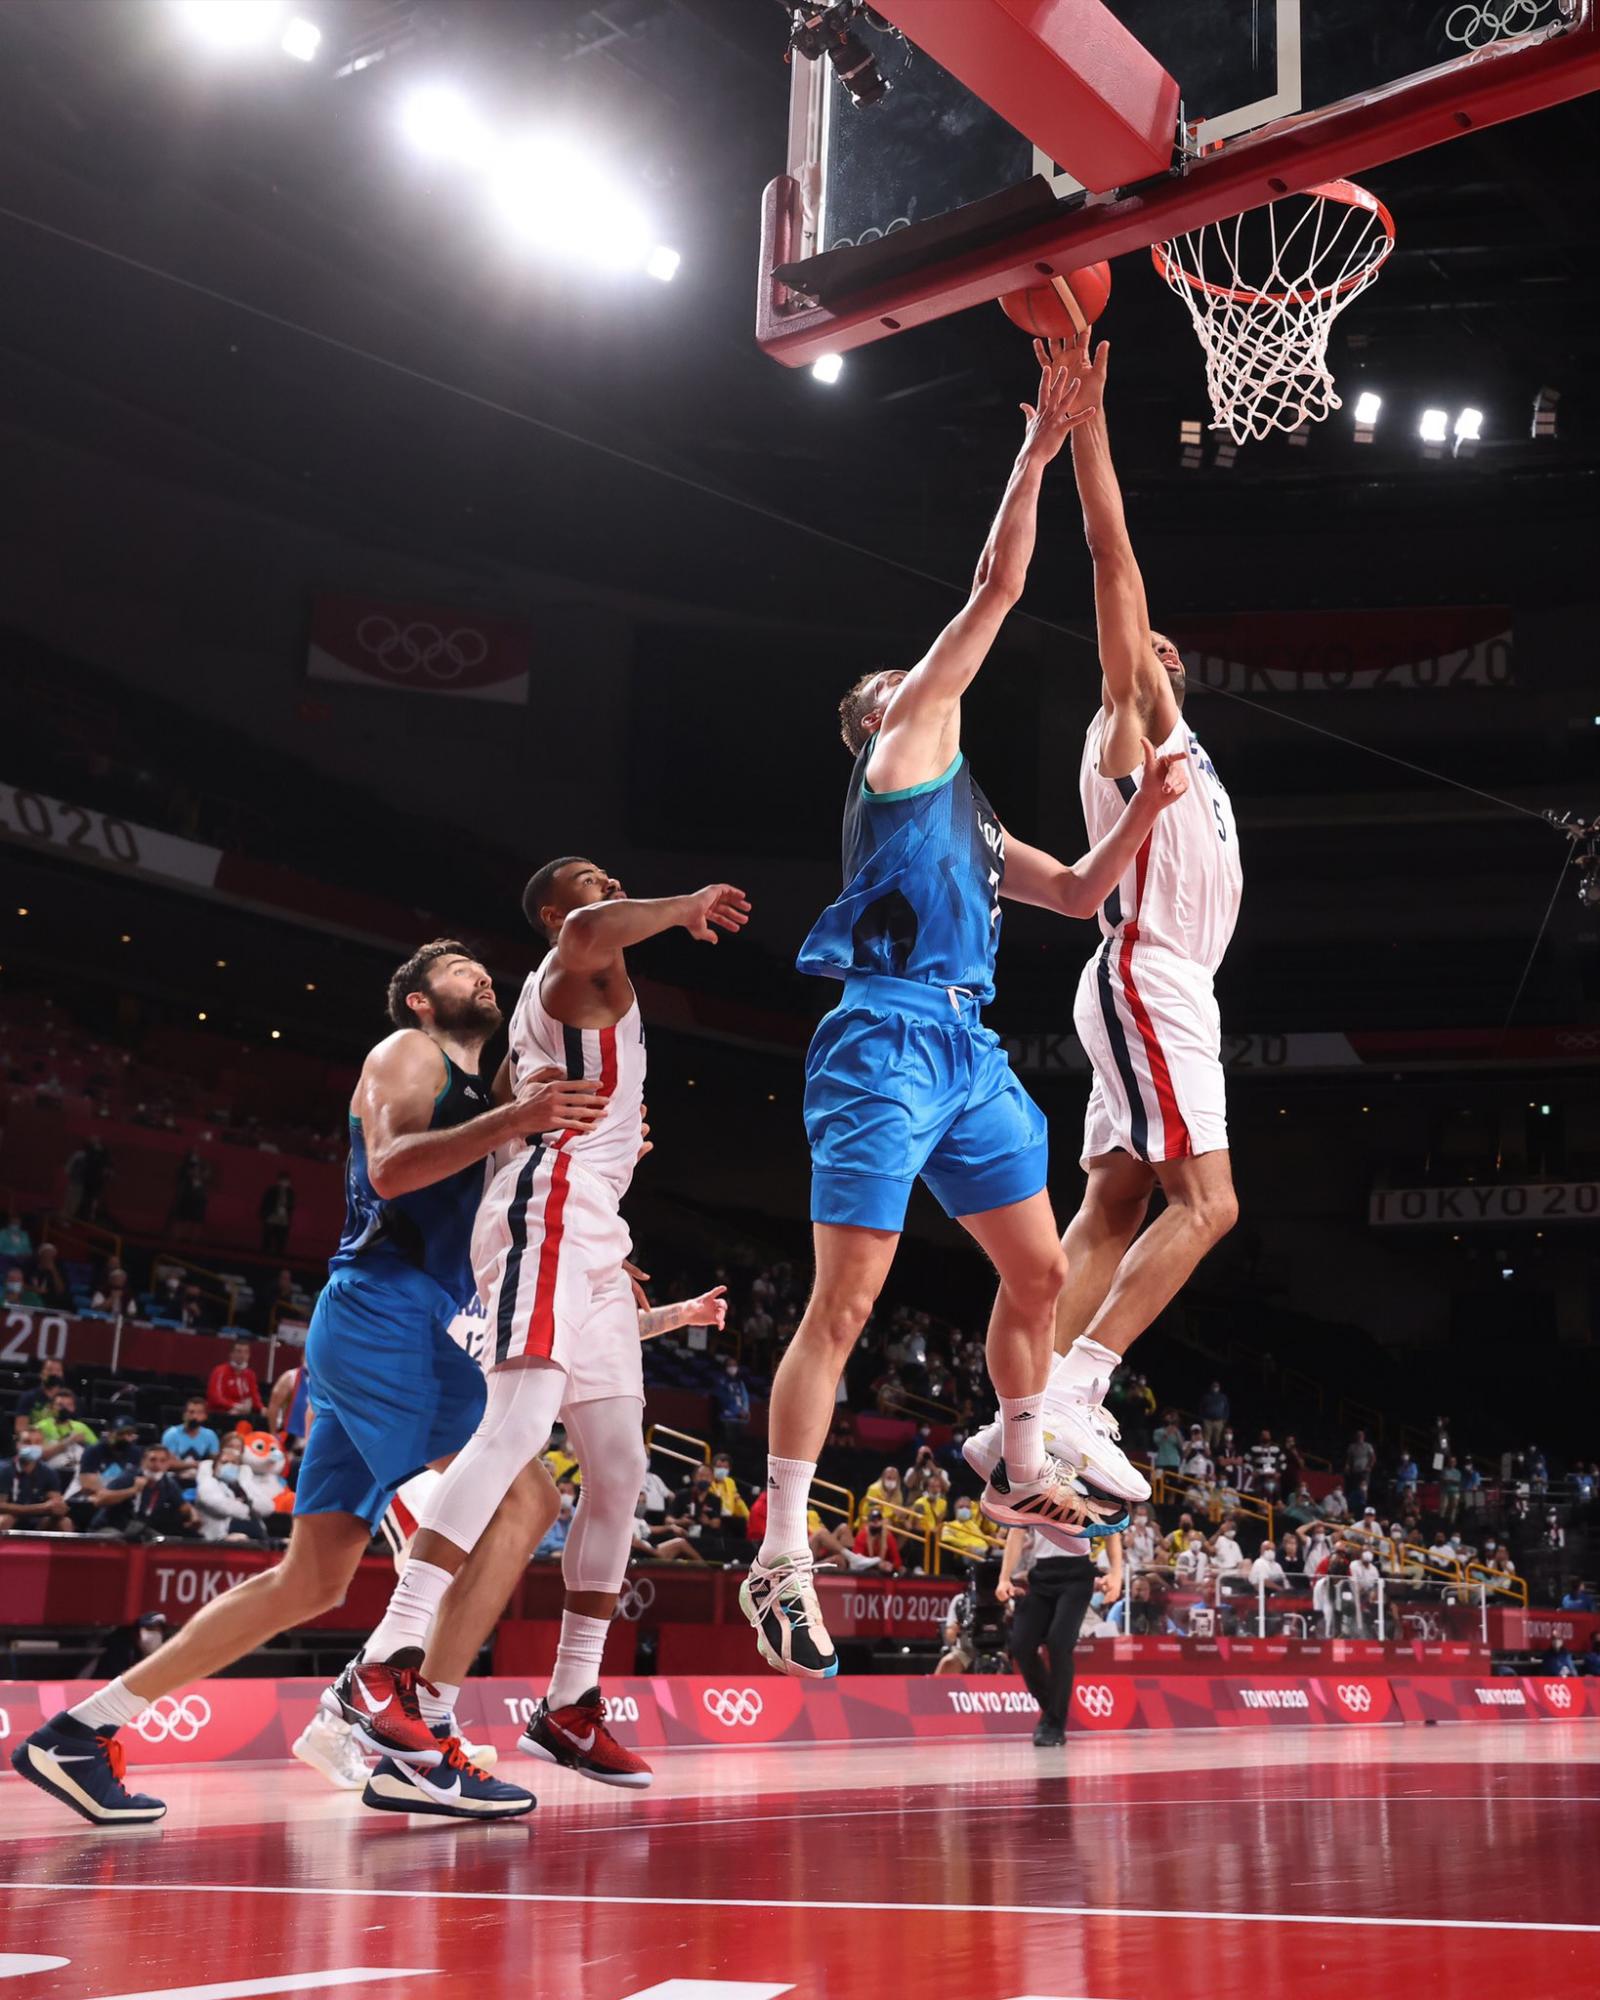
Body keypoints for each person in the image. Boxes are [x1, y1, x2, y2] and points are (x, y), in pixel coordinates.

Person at [747, 347, 1189, 1679]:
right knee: (846, 1304)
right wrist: (1039, 449)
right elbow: (997, 586)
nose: (924, 681)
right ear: (872, 722)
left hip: (968, 1047)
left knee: (1041, 1274)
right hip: (881, 1035)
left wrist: (1147, 813)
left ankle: (1019, 1463)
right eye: (902, 680)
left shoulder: (975, 817)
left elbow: (1081, 893)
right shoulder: (899, 752)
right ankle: (781, 1553)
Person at [12, 939, 593, 1827]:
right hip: (381, 1312)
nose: (479, 973)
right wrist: (517, 1118)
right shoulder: (409, 1053)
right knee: (526, 1500)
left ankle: (81, 1733)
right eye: (455, 969)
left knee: (311, 1582)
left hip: (402, 1322)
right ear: (419, 1000)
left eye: (482, 966)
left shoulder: (488, 1097)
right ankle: (414, 1733)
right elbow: (391, 1168)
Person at [340, 863, 745, 1798]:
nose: (610, 883)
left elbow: (524, 1105)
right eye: (589, 881)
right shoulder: (573, 960)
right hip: (550, 1204)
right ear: (560, 914)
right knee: (519, 1425)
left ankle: (569, 1702)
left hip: (594, 1217)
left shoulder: (577, 999)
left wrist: (613, 1143)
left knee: (621, 1468)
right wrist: (683, 908)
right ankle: (386, 1658)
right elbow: (593, 930)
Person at [965, 330, 1241, 1514]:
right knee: (1210, 1204)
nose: (1154, 646)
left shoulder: (1186, 748)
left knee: (1113, 1202)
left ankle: (1016, 1421)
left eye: (1166, 648)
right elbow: (1110, 551)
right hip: (1147, 971)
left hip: (1163, 981)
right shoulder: (1123, 728)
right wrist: (1088, 423)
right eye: (1142, 644)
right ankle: (1080, 1388)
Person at [1000, 1523, 1122, 1748]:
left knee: (1059, 1643)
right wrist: (1004, 1577)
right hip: (1042, 1575)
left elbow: (1111, 1530)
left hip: (1077, 1575)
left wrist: (1116, 1574)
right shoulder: (1031, 1499)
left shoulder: (1087, 1498)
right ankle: (1052, 1711)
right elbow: (1016, 1532)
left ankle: (1054, 1724)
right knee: (1021, 1645)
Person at [0, 1427, 69, 1533]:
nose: (32, 1446)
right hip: (10, 1517)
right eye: (27, 1442)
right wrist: (39, 1508)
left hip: (36, 1520)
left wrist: (59, 1508)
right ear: (17, 1444)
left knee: (65, 1522)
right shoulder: (4, 1469)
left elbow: (54, 1501)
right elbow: (1, 1505)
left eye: (37, 1442)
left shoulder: (49, 1472)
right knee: (5, 1520)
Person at [206, 1341, 264, 1421]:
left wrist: (261, 1408)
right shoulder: (220, 1371)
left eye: (246, 1352)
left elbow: (254, 1395)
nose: (242, 1355)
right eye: (239, 1351)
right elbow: (215, 1397)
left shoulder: (250, 1374)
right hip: (221, 1415)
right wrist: (235, 1406)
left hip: (243, 1416)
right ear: (231, 1354)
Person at [161, 1398, 221, 1465]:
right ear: (184, 1414)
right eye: (191, 1412)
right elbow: (166, 1463)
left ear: (205, 1416)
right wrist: (195, 1465)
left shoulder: (210, 1435)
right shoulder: (171, 1434)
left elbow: (215, 1461)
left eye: (199, 1413)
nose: (195, 1416)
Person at [260, 1172, 296, 1256]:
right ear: (279, 1181)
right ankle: (265, 1254)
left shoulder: (290, 1192)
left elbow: (291, 1205)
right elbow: (266, 1203)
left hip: (283, 1218)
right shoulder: (272, 1190)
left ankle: (279, 1254)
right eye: (284, 1181)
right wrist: (265, 1215)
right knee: (268, 1237)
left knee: (281, 1238)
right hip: (272, 1216)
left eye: (287, 1181)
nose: (285, 1183)